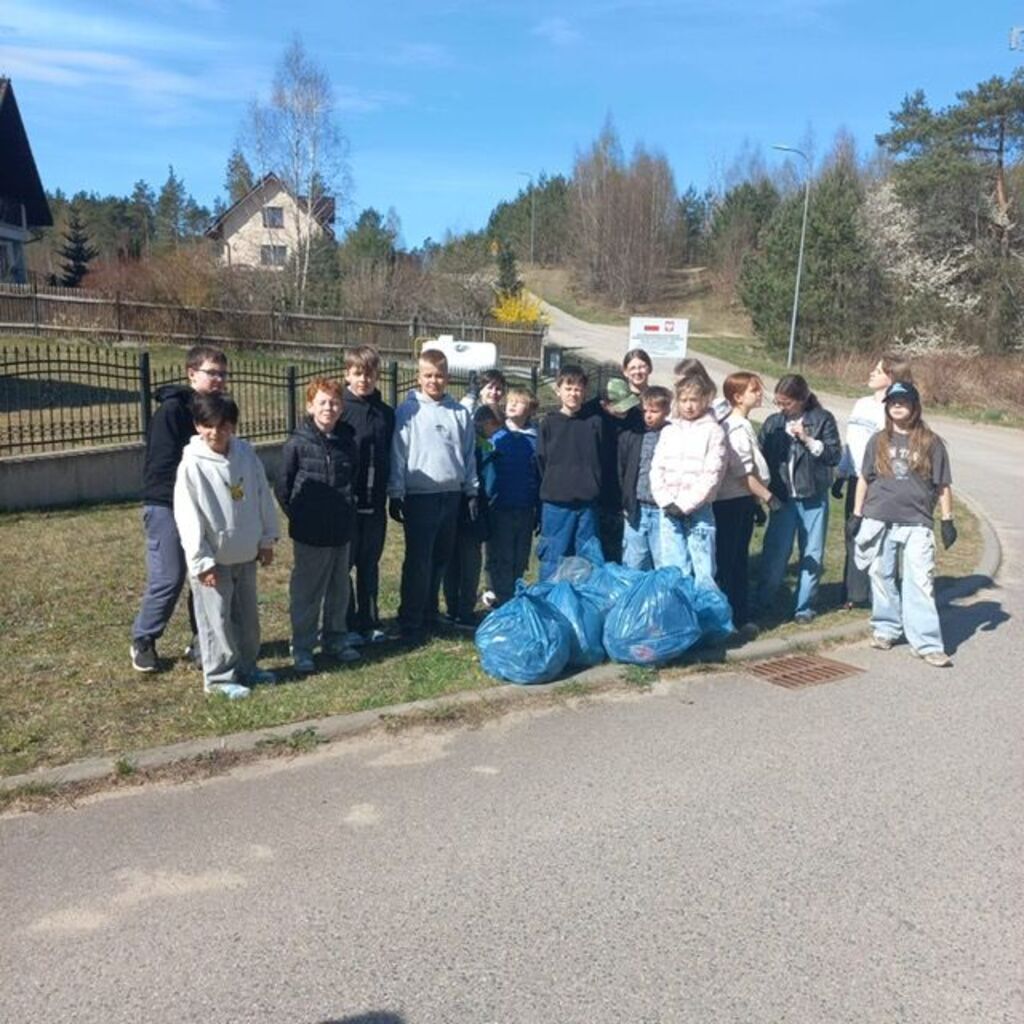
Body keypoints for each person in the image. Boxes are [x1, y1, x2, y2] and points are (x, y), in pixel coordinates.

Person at [173, 393, 278, 699]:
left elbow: (261, 495)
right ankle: (218, 677)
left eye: (223, 425)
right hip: (213, 560)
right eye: (207, 425)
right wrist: (200, 560)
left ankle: (247, 667)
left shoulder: (246, 454)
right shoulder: (191, 466)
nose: (215, 432)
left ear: (233, 426)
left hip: (245, 552)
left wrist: (267, 538)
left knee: (247, 618)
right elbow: (187, 516)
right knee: (215, 620)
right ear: (197, 426)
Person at [131, 344, 228, 673]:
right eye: (211, 372)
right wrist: (183, 503)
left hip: (207, 508)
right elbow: (161, 465)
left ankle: (202, 639)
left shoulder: (218, 412)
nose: (218, 379)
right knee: (169, 576)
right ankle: (143, 639)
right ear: (191, 374)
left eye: (222, 374)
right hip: (166, 506)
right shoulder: (173, 411)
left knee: (205, 574)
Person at [848, 381, 957, 668]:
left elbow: (943, 483)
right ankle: (886, 629)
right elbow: (864, 478)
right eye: (892, 402)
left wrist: (948, 520)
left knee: (919, 581)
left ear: (914, 406)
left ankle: (927, 643)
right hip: (878, 518)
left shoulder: (930, 442)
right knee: (881, 577)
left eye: (903, 401)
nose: (897, 406)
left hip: (916, 522)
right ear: (887, 407)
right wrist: (857, 514)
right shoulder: (878, 441)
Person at [387, 349, 478, 644]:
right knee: (418, 561)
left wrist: (471, 490)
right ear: (418, 377)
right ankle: (410, 619)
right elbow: (398, 453)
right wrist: (397, 491)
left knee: (440, 559)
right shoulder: (408, 411)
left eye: (439, 376)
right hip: (420, 496)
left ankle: (430, 613)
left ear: (448, 377)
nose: (434, 381)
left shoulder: (459, 413)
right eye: (428, 375)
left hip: (450, 495)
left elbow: (467, 454)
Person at [276, 377, 359, 675]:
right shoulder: (297, 443)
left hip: (341, 531)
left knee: (339, 590)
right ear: (310, 406)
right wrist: (301, 516)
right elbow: (283, 487)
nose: (329, 407)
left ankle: (336, 639)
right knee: (307, 593)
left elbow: (354, 479)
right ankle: (302, 647)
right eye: (323, 402)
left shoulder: (347, 441)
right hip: (311, 534)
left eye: (335, 402)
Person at [756, 374, 842, 623]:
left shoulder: (822, 419)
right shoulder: (773, 423)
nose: (782, 409)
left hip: (812, 496)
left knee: (811, 553)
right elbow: (762, 458)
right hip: (783, 498)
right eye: (779, 403)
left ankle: (804, 606)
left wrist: (806, 439)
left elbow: (833, 455)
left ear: (802, 399)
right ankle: (765, 600)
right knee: (775, 553)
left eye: (787, 404)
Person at [833, 353, 914, 608]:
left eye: (877, 371)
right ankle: (852, 592)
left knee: (877, 538)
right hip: (856, 479)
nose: (871, 373)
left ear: (892, 377)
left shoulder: (894, 411)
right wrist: (842, 472)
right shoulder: (861, 404)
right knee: (853, 533)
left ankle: (875, 592)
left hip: (879, 483)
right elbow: (852, 441)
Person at [340, 345, 395, 645]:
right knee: (344, 565)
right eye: (358, 373)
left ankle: (369, 621)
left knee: (369, 564)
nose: (364, 379)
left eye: (369, 373)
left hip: (375, 504)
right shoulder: (340, 409)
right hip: (348, 503)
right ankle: (346, 624)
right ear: (347, 373)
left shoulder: (385, 413)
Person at [712, 372, 775, 633]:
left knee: (738, 560)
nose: (759, 394)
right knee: (731, 562)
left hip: (743, 502)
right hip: (732, 502)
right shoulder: (735, 427)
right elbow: (744, 473)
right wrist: (769, 497)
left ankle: (737, 614)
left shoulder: (743, 424)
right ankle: (732, 618)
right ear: (737, 397)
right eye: (754, 390)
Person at [650, 374, 727, 587]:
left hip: (698, 510)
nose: (689, 406)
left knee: (703, 571)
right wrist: (665, 500)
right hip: (669, 508)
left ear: (704, 400)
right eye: (684, 400)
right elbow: (657, 468)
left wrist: (686, 504)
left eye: (694, 400)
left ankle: (706, 615)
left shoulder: (714, 431)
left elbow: (712, 473)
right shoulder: (669, 430)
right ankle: (678, 615)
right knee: (674, 568)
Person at [536, 364, 603, 580]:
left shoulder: (594, 423)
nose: (573, 393)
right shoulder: (548, 423)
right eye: (568, 388)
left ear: (584, 392)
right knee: (553, 558)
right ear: (558, 390)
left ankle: (580, 607)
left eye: (578, 389)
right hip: (556, 503)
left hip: (586, 504)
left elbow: (601, 457)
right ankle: (548, 605)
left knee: (586, 560)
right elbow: (540, 460)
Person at [443, 406, 500, 627]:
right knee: (470, 563)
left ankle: (451, 608)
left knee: (451, 561)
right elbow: (492, 484)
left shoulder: (457, 442)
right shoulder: (486, 448)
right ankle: (465, 611)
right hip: (476, 509)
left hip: (452, 504)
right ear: (486, 424)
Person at [485, 386, 540, 606]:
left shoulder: (535, 438)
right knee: (502, 553)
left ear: (530, 409)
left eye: (519, 402)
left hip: (525, 506)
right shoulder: (497, 436)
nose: (512, 404)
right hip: (501, 506)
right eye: (510, 401)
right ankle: (501, 596)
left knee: (520, 555)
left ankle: (515, 592)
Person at [617, 385, 672, 571]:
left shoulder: (674, 435)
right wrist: (626, 501)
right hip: (636, 509)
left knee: (662, 561)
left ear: (666, 411)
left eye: (654, 411)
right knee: (633, 561)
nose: (648, 415)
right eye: (645, 410)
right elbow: (623, 469)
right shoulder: (633, 435)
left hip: (663, 511)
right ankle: (633, 598)